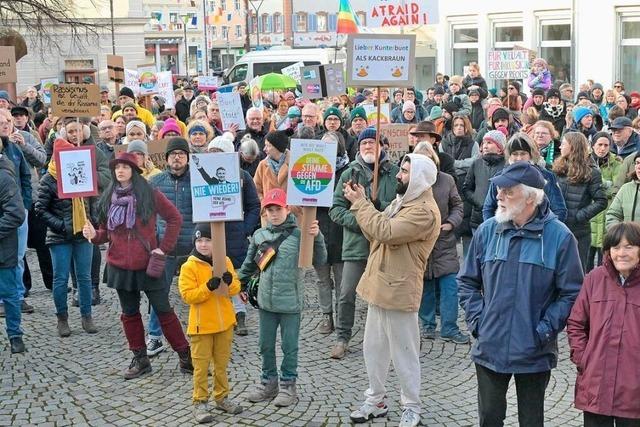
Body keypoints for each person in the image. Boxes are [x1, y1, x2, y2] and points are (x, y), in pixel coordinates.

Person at [458, 161, 583, 427]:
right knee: (489, 418)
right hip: (490, 345)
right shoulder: (487, 231)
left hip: (534, 350)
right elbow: (467, 282)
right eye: (499, 190)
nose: (499, 196)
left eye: (508, 191)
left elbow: (572, 293)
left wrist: (545, 329)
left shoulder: (560, 237)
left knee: (531, 421)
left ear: (530, 198)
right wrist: (479, 322)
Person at [345, 154, 440, 427]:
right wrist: (363, 203)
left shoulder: (423, 211)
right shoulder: (403, 201)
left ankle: (411, 405)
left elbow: (384, 231)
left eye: (406, 171)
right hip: (379, 283)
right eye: (401, 170)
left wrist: (361, 204)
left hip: (400, 289)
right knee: (373, 348)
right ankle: (376, 399)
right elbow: (374, 231)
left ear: (420, 177)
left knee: (404, 352)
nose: (399, 175)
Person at [82, 151, 193, 379]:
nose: (120, 170)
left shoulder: (149, 193)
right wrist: (94, 235)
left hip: (147, 263)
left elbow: (175, 218)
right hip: (119, 265)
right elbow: (105, 234)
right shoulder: (108, 197)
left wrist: (164, 248)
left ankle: (185, 356)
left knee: (164, 311)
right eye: (117, 167)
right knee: (129, 314)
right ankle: (141, 360)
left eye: (125, 167)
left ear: (134, 170)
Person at [238, 188, 326, 407]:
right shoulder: (260, 236)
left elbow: (321, 259)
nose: (274, 214)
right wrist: (235, 283)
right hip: (266, 303)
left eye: (278, 209)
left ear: (287, 209)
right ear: (264, 212)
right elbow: (249, 265)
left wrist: (318, 237)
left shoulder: (300, 234)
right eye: (270, 209)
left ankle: (288, 384)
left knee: (290, 346)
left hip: (290, 303)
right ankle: (268, 382)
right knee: (265, 345)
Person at [328, 127, 400, 360]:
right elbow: (336, 209)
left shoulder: (395, 172)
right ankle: (342, 337)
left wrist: (379, 209)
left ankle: (388, 338)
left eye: (372, 142)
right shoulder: (349, 174)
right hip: (356, 244)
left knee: (386, 294)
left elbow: (401, 205)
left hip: (385, 243)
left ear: (382, 147)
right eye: (364, 143)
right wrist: (361, 219)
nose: (368, 146)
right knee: (346, 293)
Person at [567, 222, 640, 427]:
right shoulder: (595, 278)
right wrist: (584, 358)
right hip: (596, 386)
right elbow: (576, 323)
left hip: (634, 392)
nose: (621, 253)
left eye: (629, 246)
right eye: (615, 247)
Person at [178, 223, 244, 423]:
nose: (204, 244)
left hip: (224, 323)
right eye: (199, 241)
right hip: (201, 327)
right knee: (201, 366)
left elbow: (236, 290)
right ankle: (200, 402)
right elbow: (188, 296)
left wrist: (229, 281)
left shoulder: (224, 261)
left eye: (207, 240)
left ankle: (222, 397)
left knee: (221, 365)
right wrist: (207, 287)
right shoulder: (188, 266)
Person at [35, 138, 98, 336]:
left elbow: (92, 201)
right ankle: (62, 318)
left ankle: (87, 315)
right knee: (60, 278)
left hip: (82, 233)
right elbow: (40, 209)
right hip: (59, 236)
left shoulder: (83, 173)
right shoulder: (48, 179)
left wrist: (92, 222)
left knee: (84, 277)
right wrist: (61, 225)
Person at [206, 135, 261, 336]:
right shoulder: (200, 176)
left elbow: (254, 205)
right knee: (211, 274)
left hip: (235, 235)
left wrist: (245, 228)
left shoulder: (242, 176)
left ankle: (240, 315)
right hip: (209, 234)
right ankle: (217, 316)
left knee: (236, 275)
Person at [413, 143, 467, 344]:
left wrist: (451, 223)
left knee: (450, 287)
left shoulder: (447, 180)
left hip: (444, 242)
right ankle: (427, 325)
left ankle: (450, 328)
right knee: (425, 287)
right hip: (421, 242)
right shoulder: (411, 182)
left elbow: (458, 206)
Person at [146, 137, 195, 356]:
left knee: (200, 294)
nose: (177, 157)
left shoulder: (199, 180)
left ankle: (204, 335)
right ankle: (155, 337)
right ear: (166, 158)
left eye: (181, 154)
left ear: (187, 157)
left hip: (192, 247)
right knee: (159, 293)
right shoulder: (155, 182)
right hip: (164, 247)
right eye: (173, 154)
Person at [483, 133, 568, 223]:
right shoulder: (499, 177)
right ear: (509, 156)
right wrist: (494, 230)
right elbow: (488, 208)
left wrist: (546, 230)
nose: (519, 158)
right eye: (515, 154)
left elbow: (559, 210)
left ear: (531, 154)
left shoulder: (546, 176)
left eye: (523, 153)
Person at [554, 132, 608, 270]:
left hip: (579, 233)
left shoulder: (591, 172)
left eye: (564, 143)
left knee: (576, 273)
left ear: (573, 147)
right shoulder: (558, 168)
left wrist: (579, 216)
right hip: (557, 228)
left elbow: (601, 201)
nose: (560, 147)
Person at [314, 131, 349, 334]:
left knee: (342, 279)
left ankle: (341, 315)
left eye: (331, 145)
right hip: (318, 229)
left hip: (340, 232)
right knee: (322, 279)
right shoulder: (312, 168)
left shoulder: (347, 170)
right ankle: (326, 316)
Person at [0, 137, 26, 353]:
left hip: (2, 248)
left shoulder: (4, 178)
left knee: (9, 294)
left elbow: (15, 214)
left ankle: (15, 335)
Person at [588, 132, 621, 271]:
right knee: (586, 260)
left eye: (606, 145)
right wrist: (603, 185)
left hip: (606, 211)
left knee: (605, 261)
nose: (602, 148)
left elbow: (616, 188)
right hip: (590, 212)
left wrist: (596, 186)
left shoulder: (616, 163)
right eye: (599, 145)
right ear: (593, 145)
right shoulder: (585, 162)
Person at [463, 130, 506, 234]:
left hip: (500, 219)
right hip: (477, 220)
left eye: (489, 143)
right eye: (484, 143)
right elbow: (466, 188)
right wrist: (478, 200)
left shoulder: (507, 166)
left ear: (500, 149)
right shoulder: (476, 163)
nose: (485, 146)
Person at [606, 151, 640, 228]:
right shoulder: (626, 189)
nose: (639, 167)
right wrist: (621, 235)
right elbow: (612, 215)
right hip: (628, 239)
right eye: (637, 163)